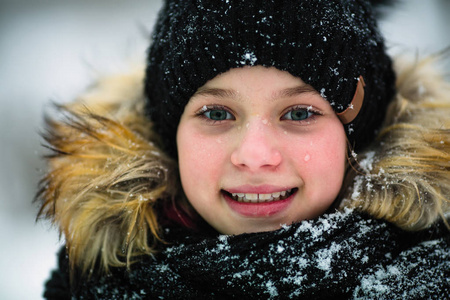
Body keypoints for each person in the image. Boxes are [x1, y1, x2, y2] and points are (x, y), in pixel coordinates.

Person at [37, 0, 449, 299]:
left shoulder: (432, 277)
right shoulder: (93, 284)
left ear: (355, 136)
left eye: (300, 112)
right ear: (170, 136)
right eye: (217, 114)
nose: (254, 155)